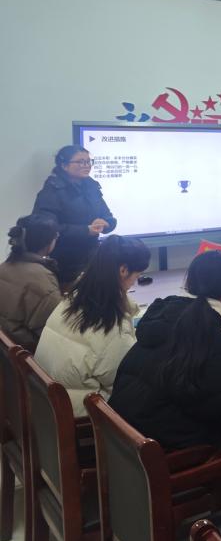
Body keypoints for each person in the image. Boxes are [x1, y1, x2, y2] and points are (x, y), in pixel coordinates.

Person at [108, 251, 221, 501]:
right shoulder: (207, 332)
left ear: (188, 282)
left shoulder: (161, 315)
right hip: (163, 453)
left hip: (125, 441)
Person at [34, 235, 149, 415]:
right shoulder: (111, 324)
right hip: (79, 412)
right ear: (123, 270)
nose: (136, 280)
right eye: (138, 275)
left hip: (49, 401)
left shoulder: (73, 299)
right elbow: (122, 380)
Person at [32, 145, 117, 284]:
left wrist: (106, 223)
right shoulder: (52, 191)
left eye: (88, 161)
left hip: (92, 257)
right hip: (64, 260)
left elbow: (109, 217)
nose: (87, 165)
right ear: (64, 165)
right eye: (80, 162)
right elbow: (46, 228)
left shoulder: (92, 187)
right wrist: (85, 230)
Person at [0, 214, 62, 351]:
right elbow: (53, 332)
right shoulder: (44, 282)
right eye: (56, 237)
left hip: (6, 345)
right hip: (22, 352)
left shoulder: (4, 266)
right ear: (48, 243)